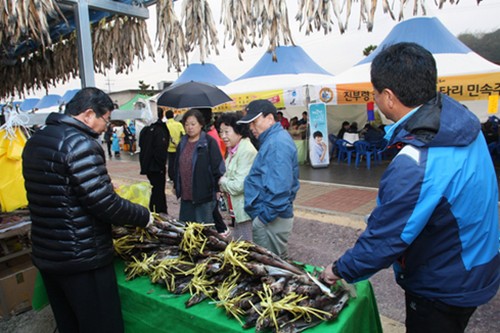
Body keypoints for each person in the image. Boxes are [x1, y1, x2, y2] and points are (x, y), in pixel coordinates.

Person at [320, 43, 499, 333]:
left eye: (375, 93)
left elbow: (385, 239)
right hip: (478, 263)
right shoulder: (461, 122)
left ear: (388, 97)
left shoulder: (417, 160)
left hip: (443, 283)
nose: (376, 100)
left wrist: (338, 270)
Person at [22, 87, 153, 333]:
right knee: (101, 326)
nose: (105, 127)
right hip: (82, 258)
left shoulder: (36, 141)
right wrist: (143, 216)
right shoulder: (80, 144)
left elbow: (57, 190)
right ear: (89, 114)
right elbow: (105, 204)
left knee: (69, 323)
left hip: (48, 253)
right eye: (105, 120)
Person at [238, 100, 300, 258]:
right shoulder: (273, 140)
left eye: (254, 122)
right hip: (271, 217)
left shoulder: (277, 144)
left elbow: (279, 189)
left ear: (270, 118)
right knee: (275, 262)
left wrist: (262, 219)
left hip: (271, 219)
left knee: (271, 267)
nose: (251, 128)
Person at [174, 109, 225, 224]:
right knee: (186, 230)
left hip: (204, 196)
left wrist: (218, 188)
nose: (189, 127)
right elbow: (176, 164)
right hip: (186, 195)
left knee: (204, 230)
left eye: (193, 124)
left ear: (201, 124)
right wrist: (176, 183)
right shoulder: (183, 142)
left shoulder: (208, 142)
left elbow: (217, 166)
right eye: (186, 124)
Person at [217, 113, 258, 241]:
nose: (223, 136)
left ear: (239, 131)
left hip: (246, 211)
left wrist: (221, 181)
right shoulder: (233, 150)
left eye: (227, 132)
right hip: (237, 210)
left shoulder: (246, 151)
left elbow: (238, 186)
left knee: (246, 247)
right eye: (221, 132)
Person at [200, 108, 229, 235]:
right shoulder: (209, 133)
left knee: (212, 208)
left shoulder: (210, 136)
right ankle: (221, 230)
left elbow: (216, 159)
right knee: (211, 208)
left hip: (213, 176)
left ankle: (222, 230)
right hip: (211, 175)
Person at [139, 108, 170, 214]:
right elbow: (161, 149)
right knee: (158, 190)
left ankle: (156, 209)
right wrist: (162, 163)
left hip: (147, 165)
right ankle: (158, 210)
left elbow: (141, 146)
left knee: (155, 189)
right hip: (157, 166)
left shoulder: (145, 129)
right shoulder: (160, 129)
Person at [165, 109, 185, 182]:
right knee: (178, 162)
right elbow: (183, 134)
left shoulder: (165, 125)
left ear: (166, 116)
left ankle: (171, 177)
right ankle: (178, 176)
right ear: (173, 116)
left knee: (171, 163)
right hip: (178, 147)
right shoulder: (179, 124)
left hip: (169, 147)